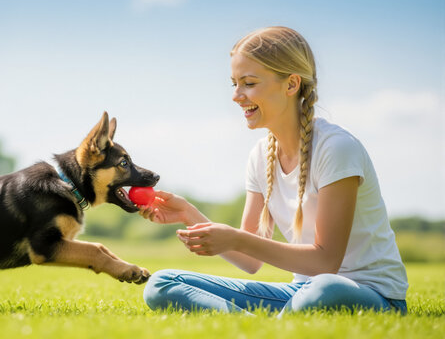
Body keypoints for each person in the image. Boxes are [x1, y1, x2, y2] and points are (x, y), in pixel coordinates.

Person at [138, 26, 408, 316]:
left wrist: (238, 237)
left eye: (249, 83)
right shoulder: (260, 156)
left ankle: (276, 320)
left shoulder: (337, 148)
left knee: (322, 289)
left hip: (368, 295)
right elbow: (249, 261)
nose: (237, 96)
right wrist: (189, 214)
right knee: (162, 283)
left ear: (291, 84)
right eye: (234, 84)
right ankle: (256, 326)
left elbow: (325, 262)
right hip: (302, 292)